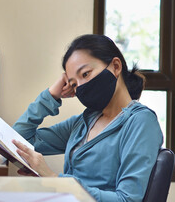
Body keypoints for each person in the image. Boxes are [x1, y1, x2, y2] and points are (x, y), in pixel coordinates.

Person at [12, 34, 163, 202]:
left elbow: (127, 199)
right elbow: (17, 140)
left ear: (115, 66)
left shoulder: (141, 122)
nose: (81, 86)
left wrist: (53, 180)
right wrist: (50, 97)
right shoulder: (84, 122)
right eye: (74, 84)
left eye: (85, 74)